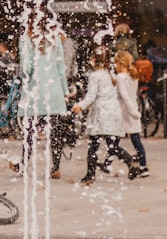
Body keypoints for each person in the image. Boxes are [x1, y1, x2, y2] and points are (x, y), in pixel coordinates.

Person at [71, 47, 141, 186]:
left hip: (101, 114)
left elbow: (91, 96)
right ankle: (129, 160)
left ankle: (90, 175)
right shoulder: (111, 74)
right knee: (111, 145)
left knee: (94, 145)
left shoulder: (94, 76)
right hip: (113, 112)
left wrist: (80, 106)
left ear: (93, 60)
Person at [17, 24, 69, 179]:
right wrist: (65, 91)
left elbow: (26, 68)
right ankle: (56, 168)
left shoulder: (26, 39)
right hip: (54, 93)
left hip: (35, 93)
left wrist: (22, 78)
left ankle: (23, 165)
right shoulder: (55, 39)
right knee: (56, 133)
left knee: (30, 132)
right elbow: (61, 68)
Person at [114, 50, 149, 178]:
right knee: (136, 140)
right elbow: (132, 95)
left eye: (115, 63)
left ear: (120, 63)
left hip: (124, 111)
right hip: (133, 108)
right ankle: (143, 166)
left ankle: (109, 163)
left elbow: (124, 95)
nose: (114, 66)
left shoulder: (120, 77)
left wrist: (133, 112)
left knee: (114, 140)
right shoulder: (133, 75)